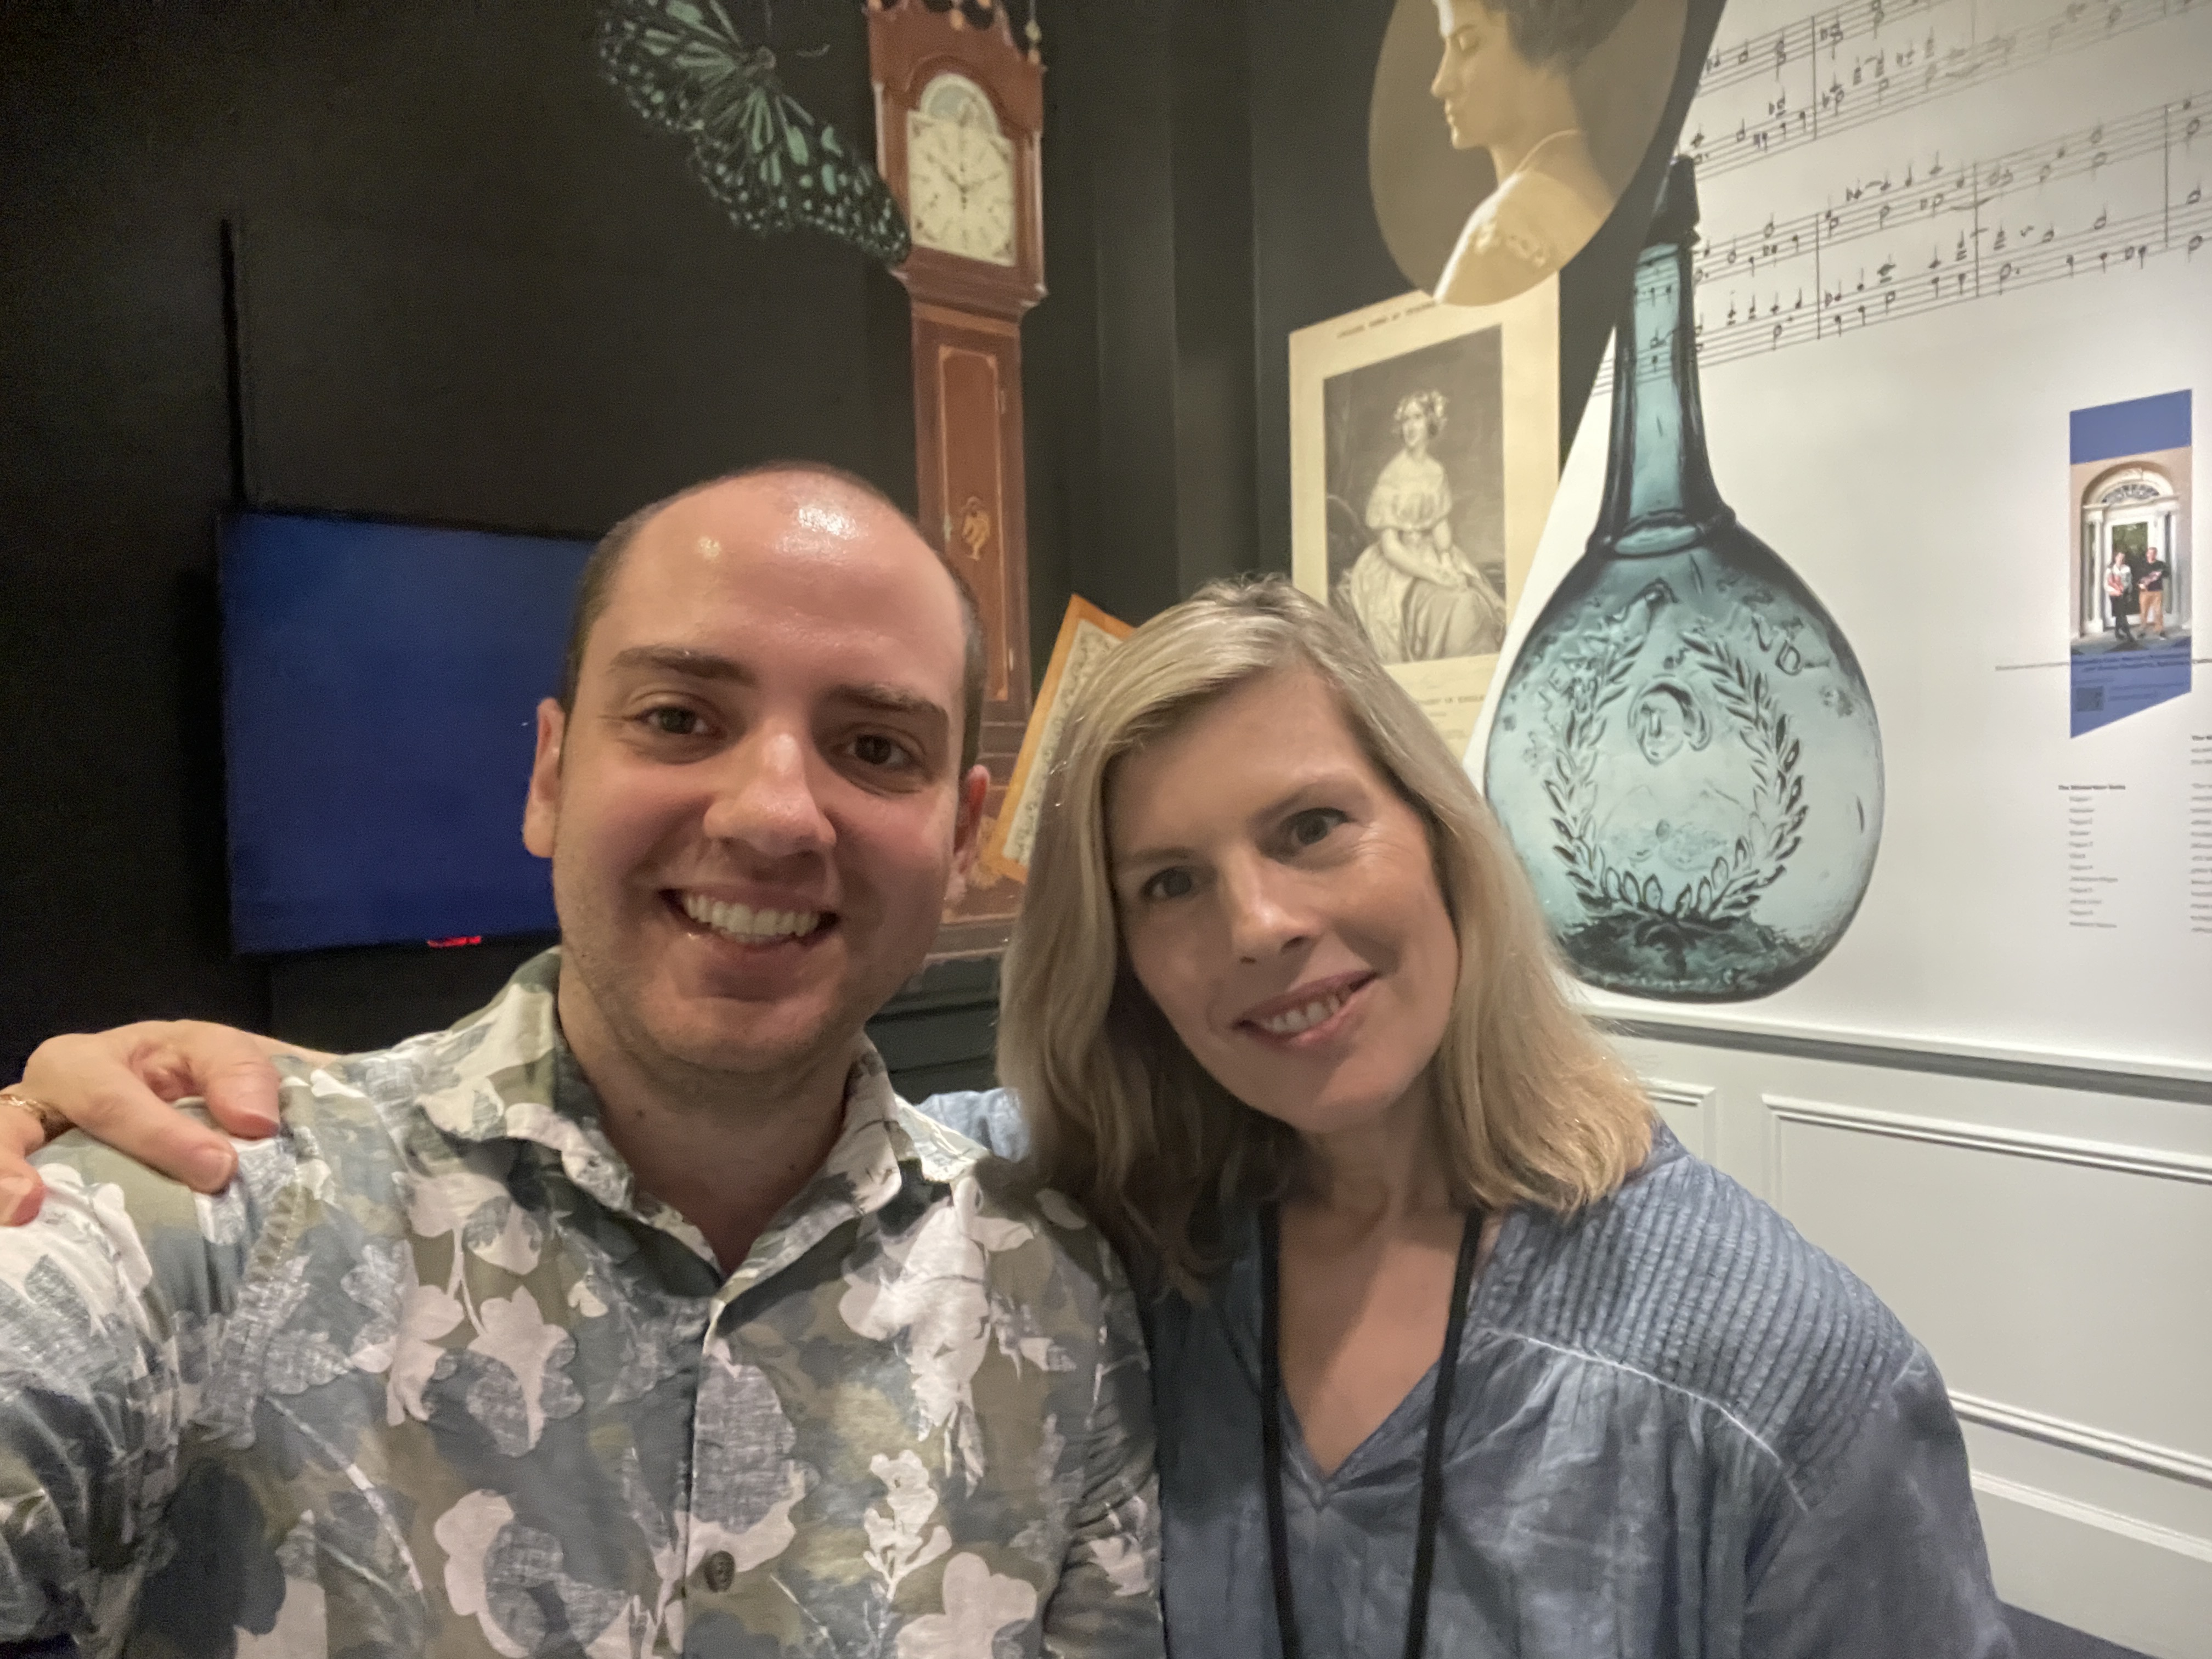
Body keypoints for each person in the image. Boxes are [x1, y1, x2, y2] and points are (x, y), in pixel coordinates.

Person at [10, 581, 2015, 1655]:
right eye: (1169, 881)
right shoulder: (1102, 1226)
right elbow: (756, 1137)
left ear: (1444, 838)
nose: (1260, 927)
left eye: (1314, 826)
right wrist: (272, 1107)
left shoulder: (1773, 1375)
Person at [0, 465, 1163, 1653]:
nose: (772, 813)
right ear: (552, 775)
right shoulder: (195, 1218)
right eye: (680, 719)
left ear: (961, 838)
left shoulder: (1053, 1298)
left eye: (874, 746)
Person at [1430, 0, 1632, 307]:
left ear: (1543, 45)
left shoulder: (1500, 231)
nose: (1441, 84)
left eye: (1468, 44)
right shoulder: (1589, 191)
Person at [1335, 390, 1506, 663]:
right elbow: (1391, 548)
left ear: (1430, 423)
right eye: (1406, 420)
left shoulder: (1436, 471)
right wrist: (1435, 576)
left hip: (1431, 553)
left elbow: (1439, 524)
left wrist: (1447, 563)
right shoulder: (1392, 475)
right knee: (1455, 604)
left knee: (1473, 598)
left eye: (1417, 418)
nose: (1410, 427)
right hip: (1396, 566)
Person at [2107, 544, 2137, 644]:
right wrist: (2115, 591)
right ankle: (2128, 633)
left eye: (2123, 558)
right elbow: (2107, 583)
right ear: (2115, 558)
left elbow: (2129, 581)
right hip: (2114, 594)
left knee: (2120, 614)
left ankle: (2117, 632)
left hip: (2124, 593)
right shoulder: (2110, 569)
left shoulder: (2127, 569)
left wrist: (2129, 593)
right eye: (2119, 557)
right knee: (2121, 614)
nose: (2121, 559)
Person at [2139, 541, 2168, 635]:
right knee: (2144, 611)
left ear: (2156, 554)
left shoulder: (2161, 564)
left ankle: (2160, 630)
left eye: (2153, 553)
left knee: (2158, 611)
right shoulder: (2142, 565)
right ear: (2147, 554)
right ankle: (2143, 629)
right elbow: (2137, 576)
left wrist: (2159, 574)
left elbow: (2167, 574)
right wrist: (2140, 584)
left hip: (2157, 591)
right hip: (2145, 591)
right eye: (2150, 553)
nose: (2151, 555)